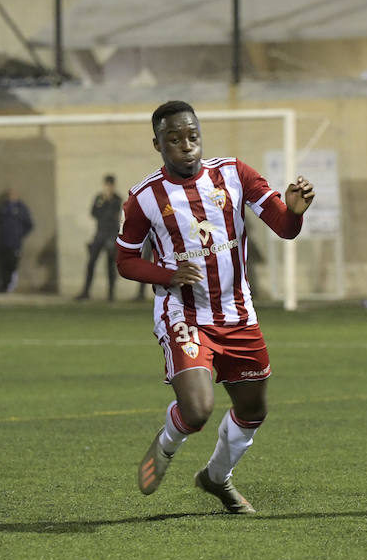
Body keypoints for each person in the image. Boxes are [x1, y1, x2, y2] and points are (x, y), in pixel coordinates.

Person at [116, 100, 314, 514]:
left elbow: (282, 225)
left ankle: (216, 477)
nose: (186, 146)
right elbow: (126, 260)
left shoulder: (235, 175)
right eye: (174, 139)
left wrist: (294, 213)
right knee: (198, 408)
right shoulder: (144, 198)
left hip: (238, 314)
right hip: (184, 314)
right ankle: (167, 443)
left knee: (253, 410)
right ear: (158, 144)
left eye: (192, 136)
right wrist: (167, 275)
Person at [77, 174, 122, 300]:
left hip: (111, 234)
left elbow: (112, 215)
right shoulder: (99, 198)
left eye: (110, 185)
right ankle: (85, 291)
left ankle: (111, 294)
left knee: (110, 265)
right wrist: (102, 201)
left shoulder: (117, 199)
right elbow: (94, 213)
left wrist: (107, 201)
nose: (108, 188)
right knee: (91, 262)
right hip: (99, 234)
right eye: (107, 185)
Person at [0, 187, 34, 292]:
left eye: (13, 194)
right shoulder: (3, 207)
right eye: (9, 195)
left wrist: (19, 234)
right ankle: (4, 286)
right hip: (4, 242)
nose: (11, 197)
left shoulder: (21, 208)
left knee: (13, 264)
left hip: (15, 243)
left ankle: (11, 285)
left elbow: (29, 225)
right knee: (4, 264)